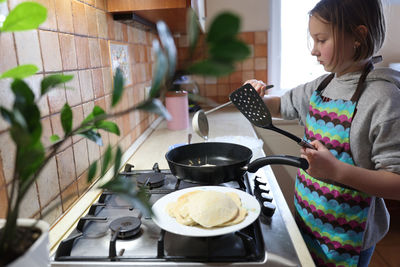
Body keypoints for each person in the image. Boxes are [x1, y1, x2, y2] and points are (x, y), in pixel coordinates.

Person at [245, 0, 400, 266]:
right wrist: (255, 97)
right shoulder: (322, 85)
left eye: (321, 39)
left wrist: (336, 171)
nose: (313, 51)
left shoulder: (383, 97)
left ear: (358, 36)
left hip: (350, 236)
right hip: (309, 219)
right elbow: (281, 105)